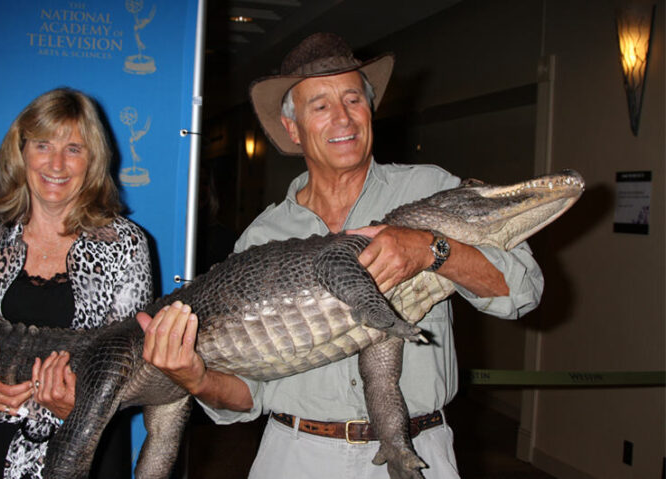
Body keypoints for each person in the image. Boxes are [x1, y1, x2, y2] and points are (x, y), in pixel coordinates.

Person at [137, 33, 544, 479]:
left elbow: (520, 290)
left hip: (417, 449)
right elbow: (246, 397)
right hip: (295, 454)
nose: (343, 118)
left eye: (353, 99)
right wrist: (195, 378)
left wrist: (432, 249)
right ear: (293, 129)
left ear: (370, 109)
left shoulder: (429, 189)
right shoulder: (262, 237)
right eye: (320, 106)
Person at [0, 87, 153, 479]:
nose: (57, 164)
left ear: (92, 160)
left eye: (74, 148)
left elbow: (133, 369)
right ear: (21, 151)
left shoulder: (125, 246)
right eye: (43, 145)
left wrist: (80, 408)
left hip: (80, 452)